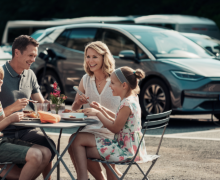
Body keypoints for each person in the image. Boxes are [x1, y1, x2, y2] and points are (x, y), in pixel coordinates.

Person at [69, 66, 150, 180]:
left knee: (77, 140)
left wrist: (98, 114)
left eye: (112, 83)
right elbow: (119, 119)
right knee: (78, 142)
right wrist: (102, 109)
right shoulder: (132, 99)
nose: (110, 86)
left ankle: (82, 178)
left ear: (123, 85)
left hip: (125, 150)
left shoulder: (126, 104)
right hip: (130, 147)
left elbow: (115, 128)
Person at [0, 35, 55, 179]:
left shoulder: (30, 74)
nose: (33, 59)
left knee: (48, 144)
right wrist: (13, 107)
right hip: (5, 131)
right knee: (38, 153)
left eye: (35, 56)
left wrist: (52, 105)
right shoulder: (1, 75)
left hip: (25, 129)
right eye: (30, 55)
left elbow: (41, 104)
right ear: (17, 53)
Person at [68, 41, 121, 179]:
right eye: (88, 56)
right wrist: (78, 102)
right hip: (90, 130)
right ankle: (105, 176)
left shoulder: (116, 79)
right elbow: (74, 108)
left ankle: (88, 177)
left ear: (104, 58)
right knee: (72, 143)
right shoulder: (86, 79)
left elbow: (127, 110)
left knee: (74, 142)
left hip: (112, 130)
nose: (90, 61)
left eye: (95, 57)